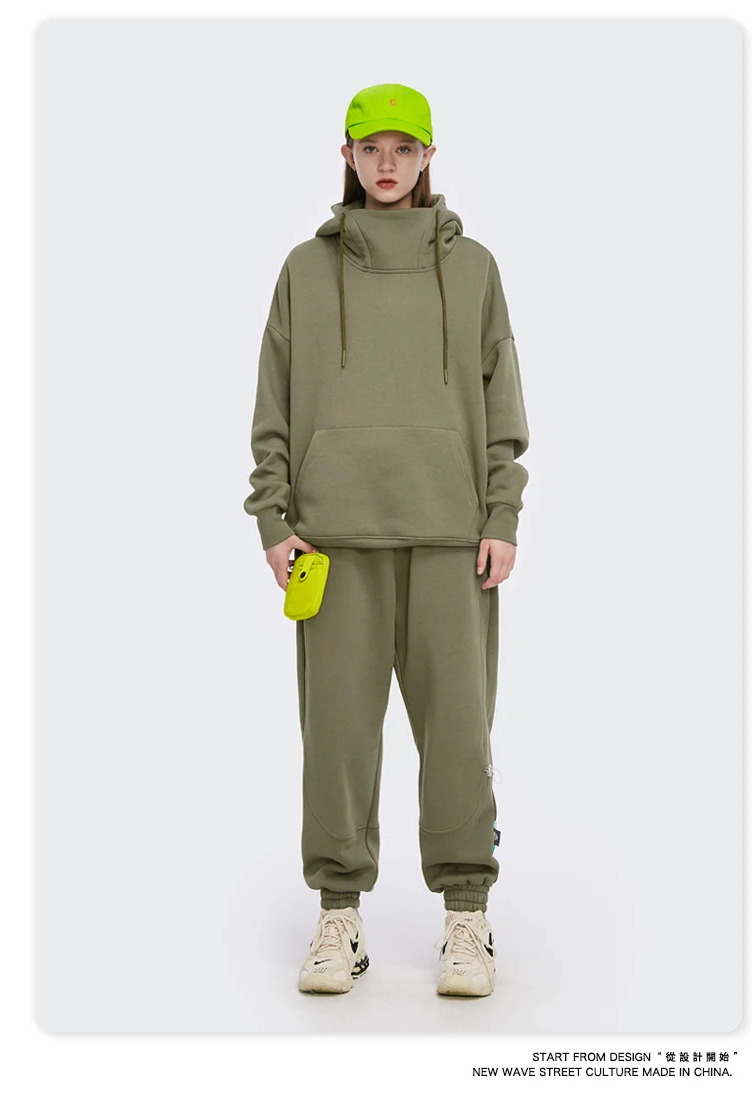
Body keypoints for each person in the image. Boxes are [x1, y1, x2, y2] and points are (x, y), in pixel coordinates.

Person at [243, 83, 529, 997]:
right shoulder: (304, 269)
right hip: (332, 542)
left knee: (460, 737)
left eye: (405, 148)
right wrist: (274, 519)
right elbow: (273, 405)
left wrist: (502, 514)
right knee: (335, 738)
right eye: (372, 148)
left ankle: (467, 916)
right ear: (348, 156)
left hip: (452, 538)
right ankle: (340, 917)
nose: (388, 164)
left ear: (430, 157)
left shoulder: (473, 269)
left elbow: (502, 402)